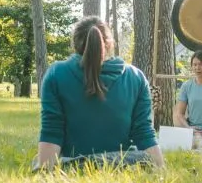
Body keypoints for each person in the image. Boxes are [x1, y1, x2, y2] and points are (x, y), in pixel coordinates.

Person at [36, 18, 161, 170]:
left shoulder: (56, 74)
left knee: (39, 161)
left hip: (76, 165)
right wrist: (160, 169)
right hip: (122, 165)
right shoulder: (136, 76)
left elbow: (52, 132)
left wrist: (44, 171)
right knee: (143, 158)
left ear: (75, 43)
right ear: (109, 44)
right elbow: (144, 133)